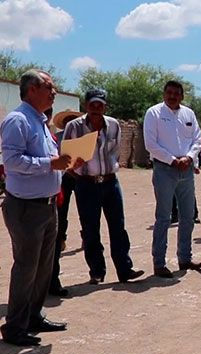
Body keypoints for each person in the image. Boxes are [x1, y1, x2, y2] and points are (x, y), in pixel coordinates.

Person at [0, 69, 77, 346]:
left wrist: (65, 165)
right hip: (25, 207)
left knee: (44, 267)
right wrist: (50, 164)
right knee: (26, 268)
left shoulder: (41, 123)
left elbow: (49, 160)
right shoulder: (17, 120)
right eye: (49, 86)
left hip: (47, 205)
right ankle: (14, 327)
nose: (54, 91)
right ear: (32, 89)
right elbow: (11, 161)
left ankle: (33, 316)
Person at [64, 89, 144, 285]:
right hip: (86, 185)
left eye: (100, 105)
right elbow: (65, 159)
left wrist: (108, 169)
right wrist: (79, 175)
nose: (96, 109)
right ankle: (97, 271)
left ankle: (125, 270)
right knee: (91, 230)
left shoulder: (114, 125)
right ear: (85, 105)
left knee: (118, 227)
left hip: (110, 182)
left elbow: (115, 153)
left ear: (105, 107)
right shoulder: (74, 127)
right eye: (92, 105)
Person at [144, 80, 201, 278]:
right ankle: (159, 263)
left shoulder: (189, 114)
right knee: (164, 217)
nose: (172, 96)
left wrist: (188, 157)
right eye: (169, 92)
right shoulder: (154, 113)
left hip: (186, 169)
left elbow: (197, 139)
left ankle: (185, 258)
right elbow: (150, 144)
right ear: (164, 94)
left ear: (182, 95)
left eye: (176, 93)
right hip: (164, 169)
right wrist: (171, 160)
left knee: (188, 217)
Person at [49, 109, 84, 297]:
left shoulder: (86, 137)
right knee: (58, 223)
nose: (71, 122)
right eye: (68, 120)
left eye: (74, 120)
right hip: (61, 180)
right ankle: (51, 280)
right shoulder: (56, 138)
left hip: (81, 177)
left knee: (86, 215)